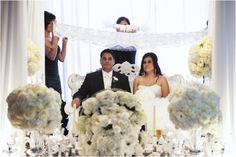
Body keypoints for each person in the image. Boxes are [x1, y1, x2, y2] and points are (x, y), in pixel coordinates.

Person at [133, 52, 174, 136]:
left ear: (155, 63)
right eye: (144, 62)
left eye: (149, 62)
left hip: (157, 111)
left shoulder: (162, 79)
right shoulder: (137, 79)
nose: (146, 64)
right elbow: (135, 99)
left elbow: (166, 100)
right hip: (141, 110)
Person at [44, 11, 69, 135]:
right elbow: (52, 57)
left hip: (56, 75)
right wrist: (55, 37)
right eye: (53, 22)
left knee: (58, 100)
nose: (55, 25)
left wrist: (64, 43)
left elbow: (61, 58)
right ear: (47, 23)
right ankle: (50, 130)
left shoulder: (52, 39)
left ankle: (58, 129)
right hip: (48, 75)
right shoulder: (43, 39)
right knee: (51, 102)